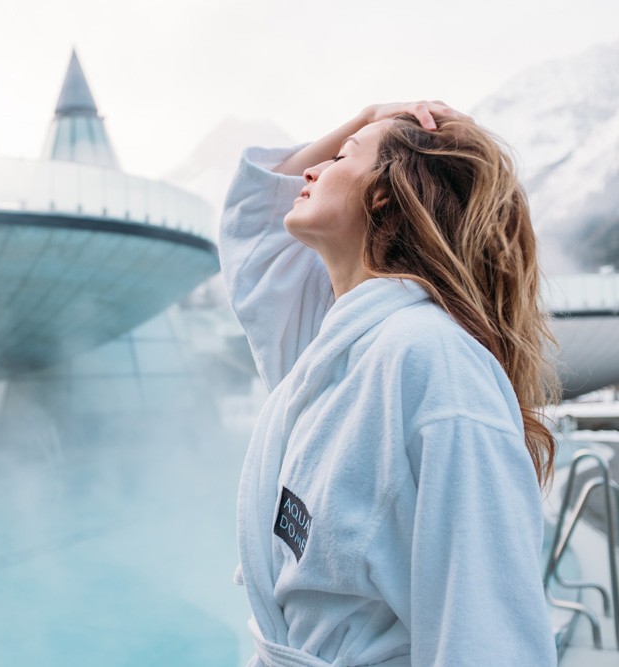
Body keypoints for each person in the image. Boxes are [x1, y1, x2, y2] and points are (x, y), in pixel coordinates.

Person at [220, 101, 559, 666]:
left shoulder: (432, 363)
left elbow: (489, 632)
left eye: (339, 159)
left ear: (384, 194)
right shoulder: (333, 349)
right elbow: (253, 224)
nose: (310, 171)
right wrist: (367, 119)